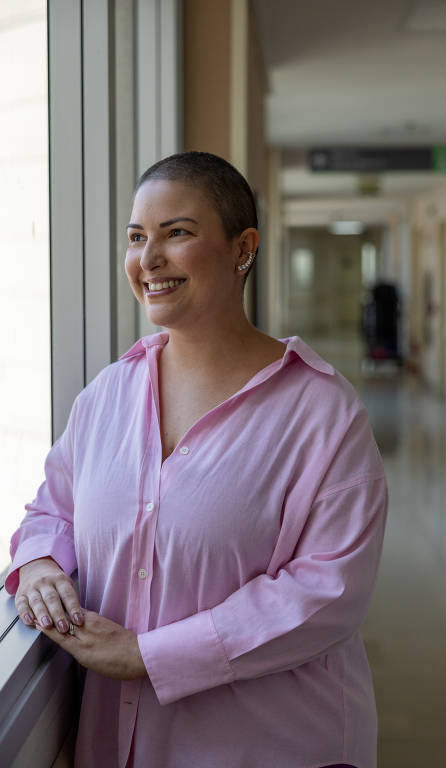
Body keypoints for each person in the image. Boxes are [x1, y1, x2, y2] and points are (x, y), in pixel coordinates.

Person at [5, 151, 388, 768]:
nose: (147, 259)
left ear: (244, 247)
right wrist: (42, 566)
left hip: (270, 747)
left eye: (176, 233)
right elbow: (52, 510)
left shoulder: (323, 413)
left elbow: (327, 592)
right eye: (136, 238)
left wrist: (148, 656)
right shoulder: (108, 395)